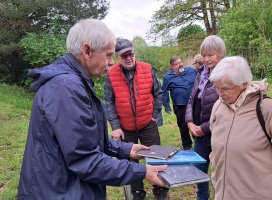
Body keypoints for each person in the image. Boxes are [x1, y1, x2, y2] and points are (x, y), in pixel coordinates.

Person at [17, 19, 167, 200]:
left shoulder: (75, 82)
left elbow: (86, 138)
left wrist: (125, 150)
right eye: (108, 55)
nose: (112, 62)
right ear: (87, 50)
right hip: (59, 191)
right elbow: (85, 159)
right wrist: (141, 171)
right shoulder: (66, 89)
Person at [209, 56, 272, 200]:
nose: (219, 94)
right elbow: (216, 153)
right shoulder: (218, 108)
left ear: (244, 84)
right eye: (216, 88)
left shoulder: (269, 110)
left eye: (225, 89)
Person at [104, 39, 168, 200]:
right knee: (130, 161)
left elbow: (158, 93)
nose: (128, 58)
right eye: (124, 55)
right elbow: (109, 101)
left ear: (134, 53)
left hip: (147, 123)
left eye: (130, 54)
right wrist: (115, 126)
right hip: (125, 127)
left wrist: (155, 114)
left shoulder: (147, 68)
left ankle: (160, 189)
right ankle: (137, 192)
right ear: (118, 57)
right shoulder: (111, 74)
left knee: (155, 156)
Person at [185, 35, 226, 200]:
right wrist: (189, 122)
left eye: (211, 55)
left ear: (220, 54)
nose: (207, 59)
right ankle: (202, 197)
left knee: (222, 172)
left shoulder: (226, 74)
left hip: (219, 133)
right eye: (204, 55)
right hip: (199, 135)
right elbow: (191, 100)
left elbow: (225, 110)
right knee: (199, 169)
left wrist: (204, 128)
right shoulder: (201, 73)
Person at [161, 56, 197, 150]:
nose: (180, 64)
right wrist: (167, 106)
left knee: (196, 122)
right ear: (172, 66)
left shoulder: (192, 71)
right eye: (177, 64)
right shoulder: (167, 77)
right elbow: (163, 92)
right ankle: (187, 146)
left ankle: (198, 143)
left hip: (195, 102)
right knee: (183, 126)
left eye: (181, 62)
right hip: (180, 105)